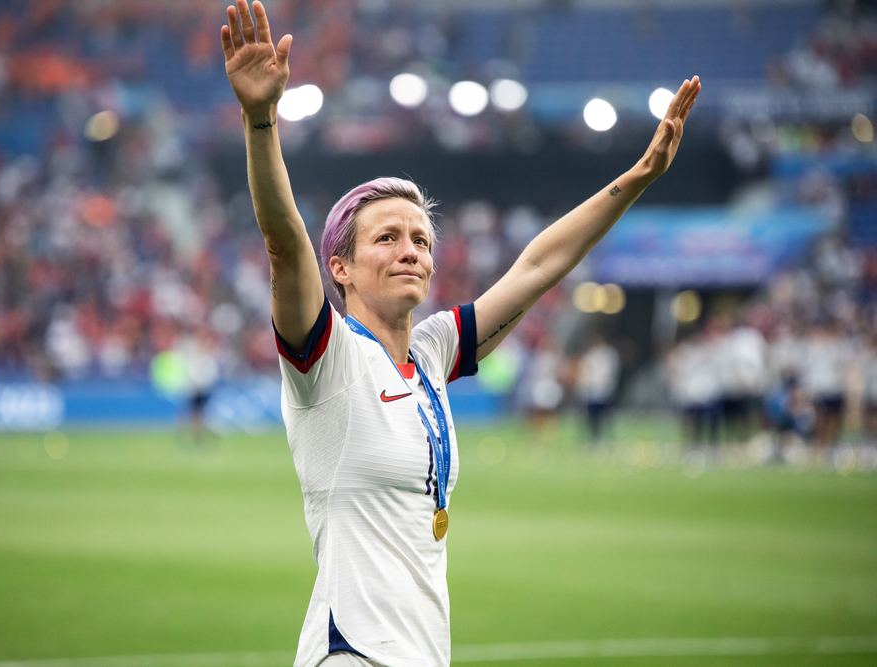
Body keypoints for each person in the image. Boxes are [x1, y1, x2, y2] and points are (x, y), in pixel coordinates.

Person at [220, 2, 700, 665]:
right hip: (354, 653)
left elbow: (537, 265)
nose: (411, 249)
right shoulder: (327, 361)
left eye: (420, 238)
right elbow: (283, 243)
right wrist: (260, 120)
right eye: (386, 238)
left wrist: (639, 177)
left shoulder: (431, 352)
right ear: (341, 267)